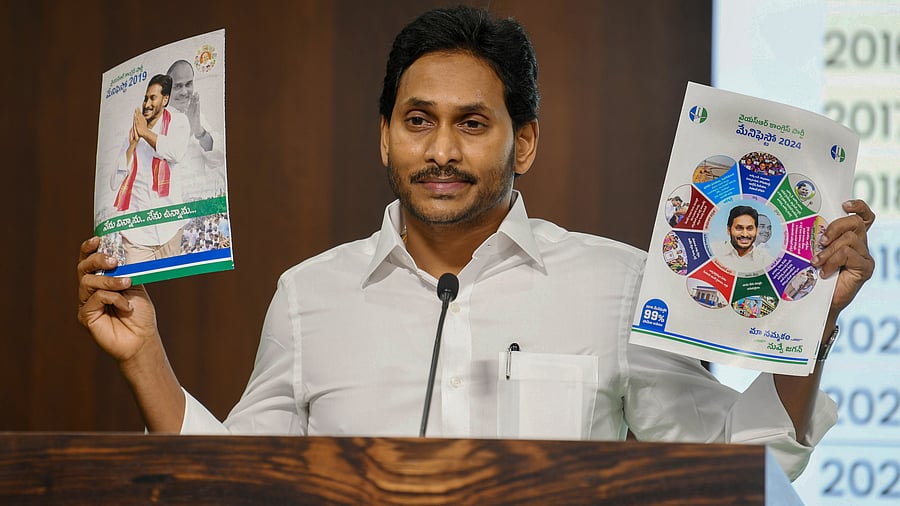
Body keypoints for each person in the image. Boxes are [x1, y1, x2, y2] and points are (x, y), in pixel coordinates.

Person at [78, 6, 876, 481]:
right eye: (418, 121)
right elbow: (232, 484)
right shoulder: (307, 295)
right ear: (385, 139)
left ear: (522, 144)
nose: (442, 152)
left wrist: (810, 325)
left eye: (473, 124)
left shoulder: (618, 282)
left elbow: (745, 458)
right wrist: (145, 357)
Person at [109, 74, 191, 263]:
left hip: (170, 230)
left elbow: (175, 152)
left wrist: (145, 133)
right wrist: (131, 146)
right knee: (134, 289)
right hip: (137, 236)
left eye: (152, 98)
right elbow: (114, 183)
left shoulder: (178, 122)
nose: (146, 103)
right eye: (145, 98)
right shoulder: (133, 134)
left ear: (165, 100)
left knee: (170, 290)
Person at [165, 60, 226, 201]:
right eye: (178, 86)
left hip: (200, 200)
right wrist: (188, 133)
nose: (185, 91)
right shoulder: (158, 120)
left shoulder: (197, 115)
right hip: (173, 204)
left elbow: (217, 159)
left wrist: (199, 131)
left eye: (188, 84)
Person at [712, 205, 776, 273]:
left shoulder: (766, 261)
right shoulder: (713, 252)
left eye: (750, 228)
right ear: (729, 230)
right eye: (739, 228)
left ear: (756, 230)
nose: (745, 234)